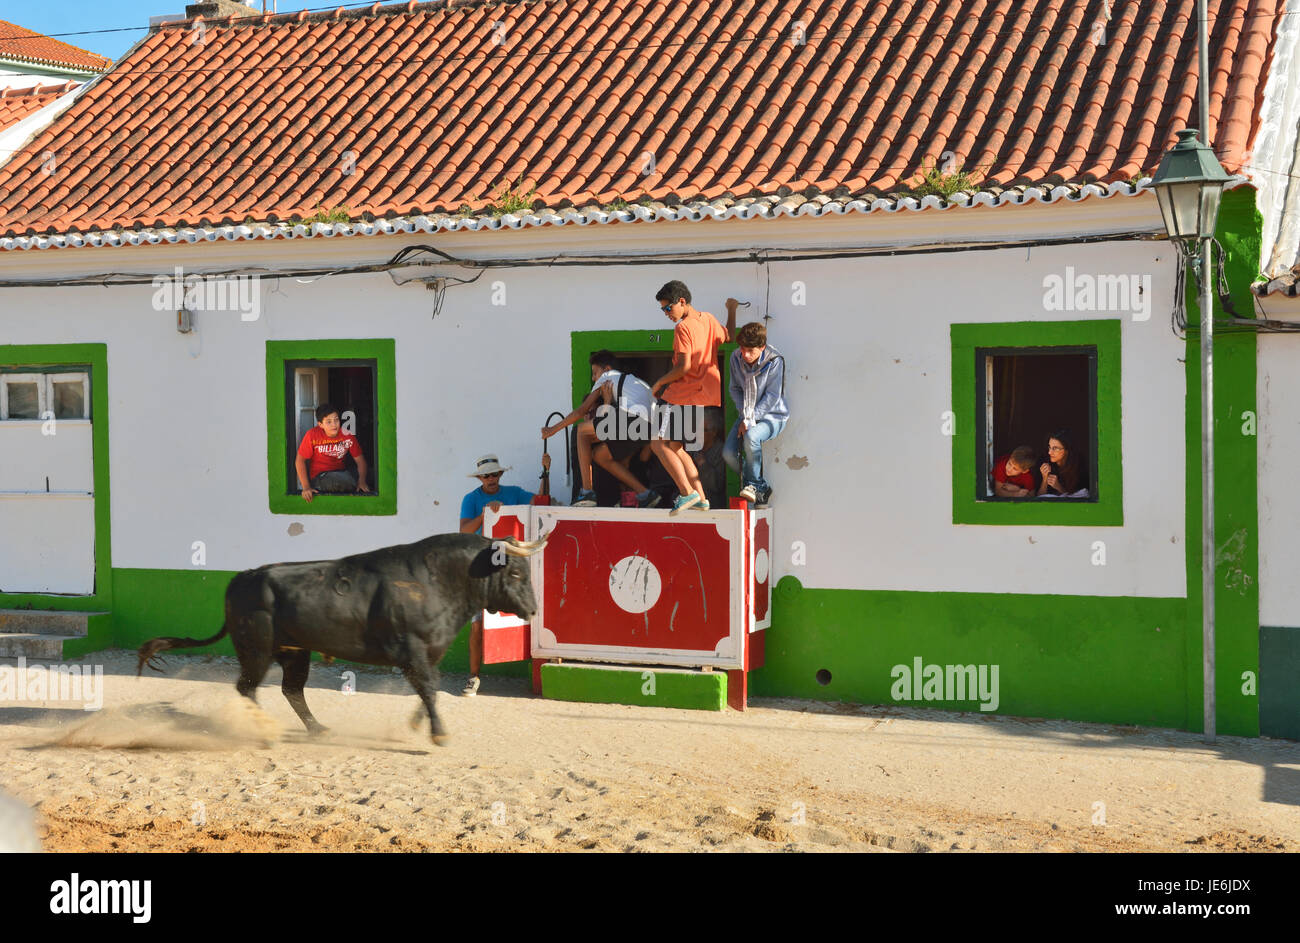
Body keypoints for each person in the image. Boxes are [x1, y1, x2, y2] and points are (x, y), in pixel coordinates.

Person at [458, 453, 547, 696]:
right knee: (477, 627)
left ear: (500, 475)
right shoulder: (471, 499)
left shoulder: (515, 493)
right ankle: (473, 677)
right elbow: (464, 531)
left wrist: (545, 473)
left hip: (508, 571)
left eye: (494, 474)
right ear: (480, 478)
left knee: (527, 616)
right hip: (478, 570)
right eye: (486, 475)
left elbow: (542, 502)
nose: (491, 478)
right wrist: (485, 514)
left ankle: (533, 670)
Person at [541, 350, 660, 507]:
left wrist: (552, 430)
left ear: (607, 369)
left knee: (581, 431)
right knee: (600, 455)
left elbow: (581, 411)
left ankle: (587, 492)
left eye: (595, 372)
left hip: (633, 418)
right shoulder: (636, 382)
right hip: (650, 428)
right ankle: (645, 493)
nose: (593, 378)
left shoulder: (607, 377)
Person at [650, 280, 729, 513]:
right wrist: (732, 310)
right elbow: (729, 336)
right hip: (705, 397)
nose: (666, 314)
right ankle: (702, 498)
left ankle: (687, 493)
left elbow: (683, 368)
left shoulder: (683, 328)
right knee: (675, 447)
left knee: (657, 443)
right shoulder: (710, 320)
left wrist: (659, 383)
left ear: (681, 302)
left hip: (681, 394)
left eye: (667, 308)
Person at [724, 313, 787, 506]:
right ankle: (760, 486)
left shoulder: (774, 360)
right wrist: (746, 416)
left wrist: (751, 419)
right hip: (746, 413)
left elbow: (772, 396)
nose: (745, 354)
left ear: (762, 347)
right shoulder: (735, 358)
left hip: (773, 416)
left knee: (751, 437)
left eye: (750, 350)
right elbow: (734, 389)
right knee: (728, 453)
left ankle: (751, 485)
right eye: (742, 349)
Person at [295, 403, 371, 501]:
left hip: (342, 473)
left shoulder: (347, 435)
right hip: (320, 476)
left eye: (336, 420)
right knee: (346, 481)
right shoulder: (312, 435)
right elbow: (299, 460)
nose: (334, 425)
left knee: (368, 474)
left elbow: (360, 461)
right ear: (320, 424)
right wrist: (306, 487)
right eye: (329, 422)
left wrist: (362, 481)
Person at [1037, 430, 1090, 497]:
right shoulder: (1045, 462)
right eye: (1049, 447)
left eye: (1055, 448)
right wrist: (1044, 479)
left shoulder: (1079, 466)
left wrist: (1059, 487)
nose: (1049, 452)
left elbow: (1079, 497)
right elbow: (1039, 498)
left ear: (1067, 450)